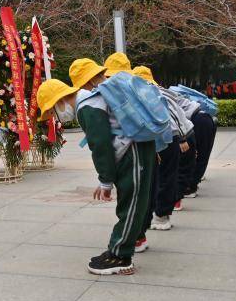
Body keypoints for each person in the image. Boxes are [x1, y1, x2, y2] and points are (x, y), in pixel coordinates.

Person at [69, 58, 156, 276]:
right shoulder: (102, 96)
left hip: (133, 152)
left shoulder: (89, 104)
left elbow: (100, 145)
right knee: (130, 201)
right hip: (136, 149)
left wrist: (105, 180)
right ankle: (118, 248)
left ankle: (121, 256)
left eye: (53, 110)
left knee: (132, 204)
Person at [131, 66, 194, 230]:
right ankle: (160, 214)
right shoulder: (151, 91)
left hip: (172, 137)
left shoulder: (152, 92)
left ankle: (162, 216)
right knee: (163, 178)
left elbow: (171, 115)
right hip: (167, 138)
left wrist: (181, 138)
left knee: (165, 178)